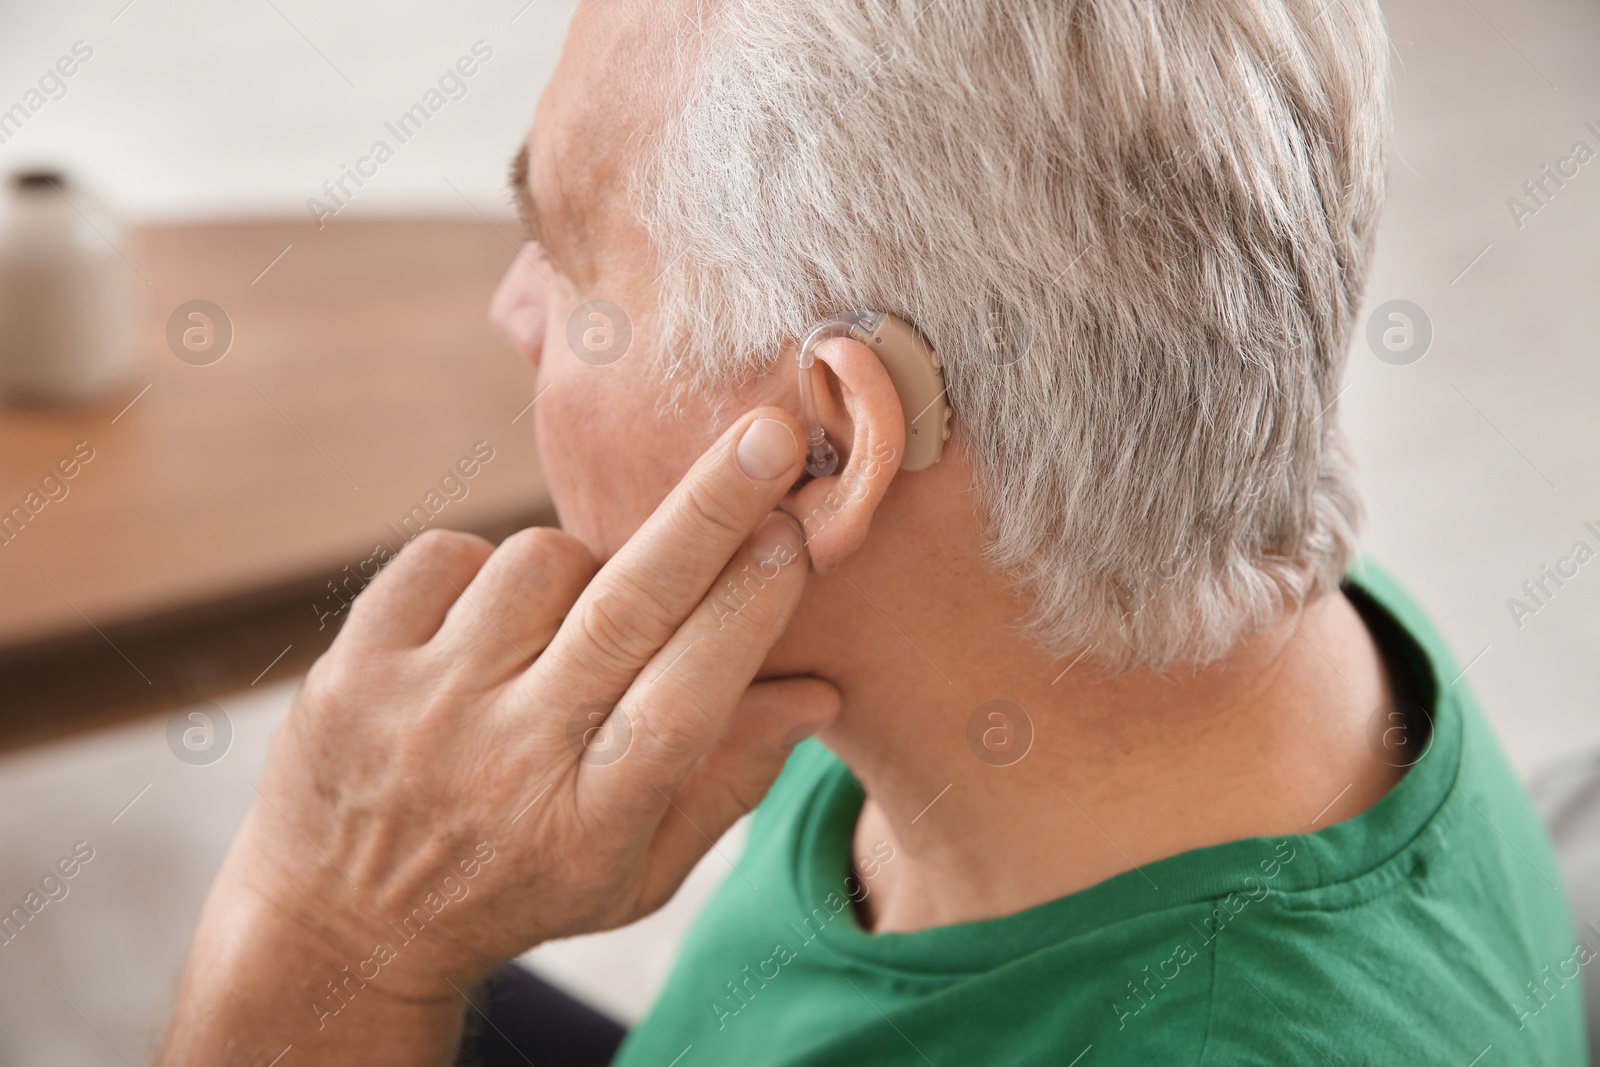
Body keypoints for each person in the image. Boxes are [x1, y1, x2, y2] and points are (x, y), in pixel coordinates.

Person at [158, 0, 1587, 1063]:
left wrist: (328, 927)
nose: (514, 312)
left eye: (576, 256)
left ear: (826, 448)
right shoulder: (1203, 561)